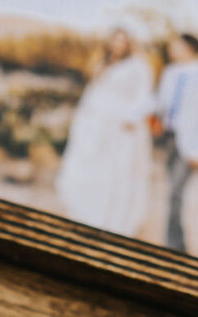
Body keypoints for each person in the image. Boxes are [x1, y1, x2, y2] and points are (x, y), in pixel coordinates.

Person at [53, 28, 156, 236]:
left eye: (122, 41)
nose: (118, 45)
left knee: (115, 169)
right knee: (89, 165)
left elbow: (145, 95)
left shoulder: (138, 65)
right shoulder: (102, 63)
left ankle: (110, 220)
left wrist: (132, 117)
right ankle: (85, 212)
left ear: (129, 44)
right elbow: (93, 91)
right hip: (94, 123)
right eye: (115, 40)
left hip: (119, 126)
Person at [155, 32, 198, 255]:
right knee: (172, 192)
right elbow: (161, 102)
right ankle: (176, 243)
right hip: (170, 140)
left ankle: (174, 246)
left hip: (191, 146)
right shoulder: (170, 73)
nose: (171, 50)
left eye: (175, 46)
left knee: (176, 192)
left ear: (189, 48)